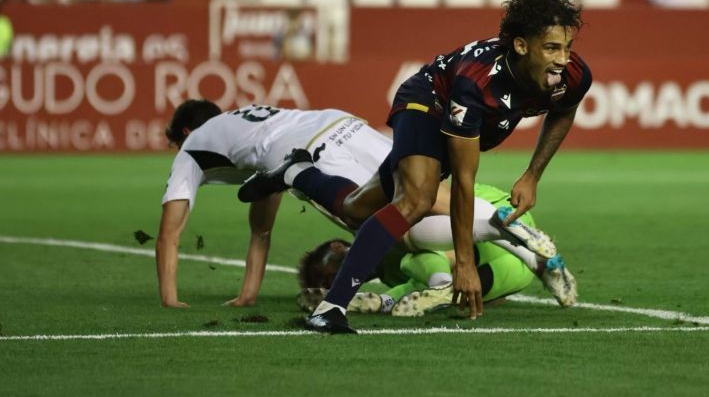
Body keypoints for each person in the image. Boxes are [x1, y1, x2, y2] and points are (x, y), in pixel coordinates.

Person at [239, 0, 591, 333]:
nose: (563, 59)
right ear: (521, 45)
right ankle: (331, 309)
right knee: (417, 199)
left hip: (462, 125)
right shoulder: (477, 83)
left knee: (356, 210)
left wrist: (532, 175)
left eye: (567, 47)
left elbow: (565, 109)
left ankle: (295, 171)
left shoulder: (572, 74)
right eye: (551, 48)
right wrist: (464, 263)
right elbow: (464, 180)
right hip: (428, 102)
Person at [157, 101, 558, 308]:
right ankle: (515, 235)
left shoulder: (193, 146)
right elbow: (261, 226)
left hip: (311, 151)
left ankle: (451, 265)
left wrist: (169, 299)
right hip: (343, 124)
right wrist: (248, 294)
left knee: (384, 224)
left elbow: (168, 234)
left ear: (186, 131)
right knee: (422, 199)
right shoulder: (250, 124)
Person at [297, 183, 578, 318]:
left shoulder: (373, 225)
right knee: (417, 265)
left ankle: (445, 280)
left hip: (482, 211)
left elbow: (428, 200)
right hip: (510, 269)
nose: (341, 281)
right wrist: (384, 300)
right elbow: (415, 287)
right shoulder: (387, 272)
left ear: (336, 247)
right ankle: (536, 261)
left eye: (333, 277)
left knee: (411, 248)